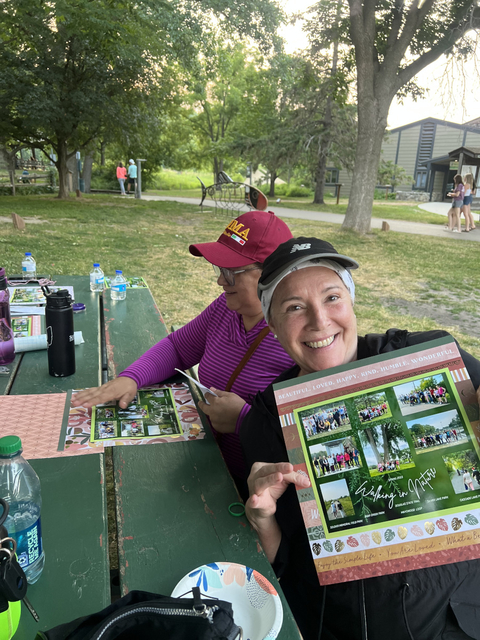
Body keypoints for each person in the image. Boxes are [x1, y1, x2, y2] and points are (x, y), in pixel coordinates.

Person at [240, 236, 480, 640]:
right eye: (294, 307)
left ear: (351, 303)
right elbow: (286, 563)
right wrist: (262, 520)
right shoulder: (265, 422)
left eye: (332, 297)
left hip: (462, 610)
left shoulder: (426, 355)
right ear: (273, 325)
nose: (319, 321)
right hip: (346, 624)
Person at [72, 211, 294, 499]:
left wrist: (244, 420)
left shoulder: (297, 341)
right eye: (219, 270)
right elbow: (178, 347)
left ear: (272, 275)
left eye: (230, 273)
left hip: (257, 493)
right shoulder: (225, 310)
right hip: (207, 465)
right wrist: (132, 378)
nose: (219, 282)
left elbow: (308, 437)